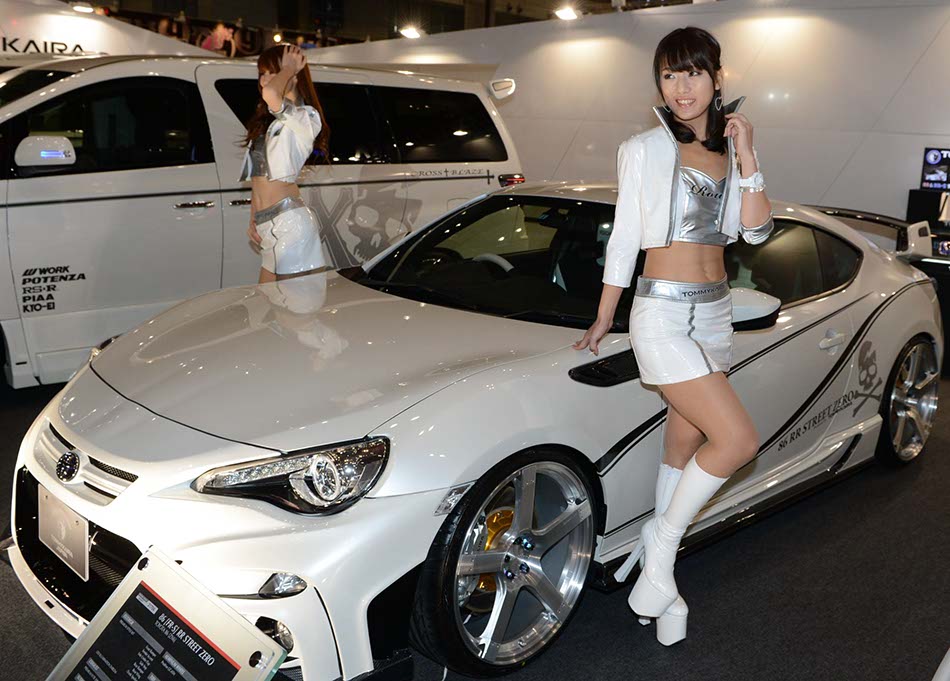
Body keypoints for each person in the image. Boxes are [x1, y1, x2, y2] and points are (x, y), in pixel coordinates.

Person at [573, 26, 774, 645]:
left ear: (718, 78)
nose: (680, 88)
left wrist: (749, 156)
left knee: (683, 447)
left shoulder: (730, 149)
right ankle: (658, 548)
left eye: (692, 73)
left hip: (715, 313)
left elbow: (757, 234)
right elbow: (625, 236)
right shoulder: (644, 148)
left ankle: (665, 591)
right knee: (737, 439)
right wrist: (607, 314)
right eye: (668, 75)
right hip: (660, 313)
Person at [240, 43, 331, 283]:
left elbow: (271, 93)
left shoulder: (305, 116)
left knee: (293, 313)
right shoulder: (267, 123)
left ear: (292, 75)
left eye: (273, 72)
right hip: (266, 224)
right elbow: (258, 176)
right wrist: (253, 218)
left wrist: (289, 68)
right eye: (262, 73)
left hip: (290, 224)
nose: (265, 79)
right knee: (269, 309)